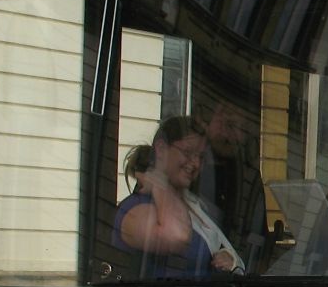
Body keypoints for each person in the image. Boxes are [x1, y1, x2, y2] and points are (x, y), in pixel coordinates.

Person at [114, 115, 240, 277]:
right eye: (188, 152)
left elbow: (222, 248)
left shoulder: (197, 205)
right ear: (161, 149)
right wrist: (159, 182)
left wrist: (229, 258)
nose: (196, 163)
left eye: (200, 157)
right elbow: (177, 235)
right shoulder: (135, 207)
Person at [193, 94, 268, 269]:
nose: (230, 134)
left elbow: (256, 245)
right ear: (206, 122)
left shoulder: (251, 180)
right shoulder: (188, 167)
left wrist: (234, 261)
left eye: (238, 127)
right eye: (224, 123)